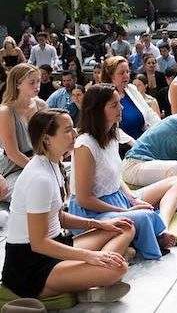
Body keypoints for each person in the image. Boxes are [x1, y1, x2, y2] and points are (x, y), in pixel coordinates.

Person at [1, 108, 133, 304]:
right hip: (32, 266)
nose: (75, 134)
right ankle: (86, 282)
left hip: (57, 245)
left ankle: (88, 276)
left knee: (123, 227)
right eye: (68, 130)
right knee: (117, 268)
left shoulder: (53, 163)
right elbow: (39, 243)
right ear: (47, 139)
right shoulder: (39, 178)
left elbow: (59, 216)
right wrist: (90, 256)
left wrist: (97, 224)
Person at [68, 85, 177, 260]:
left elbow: (116, 179)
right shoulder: (85, 145)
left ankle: (159, 228)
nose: (121, 108)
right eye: (114, 105)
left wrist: (133, 199)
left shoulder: (112, 134)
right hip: (92, 211)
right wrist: (121, 210)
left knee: (175, 182)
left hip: (118, 198)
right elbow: (84, 199)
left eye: (119, 103)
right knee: (144, 216)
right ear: (97, 111)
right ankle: (152, 235)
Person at [0, 64, 48, 202]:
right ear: (17, 84)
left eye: (38, 81)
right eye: (32, 82)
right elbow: (12, 153)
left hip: (41, 160)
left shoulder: (41, 105)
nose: (37, 86)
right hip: (14, 166)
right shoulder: (6, 111)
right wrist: (40, 170)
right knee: (35, 191)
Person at [100, 57, 160, 154]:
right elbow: (112, 128)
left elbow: (148, 113)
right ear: (111, 75)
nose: (126, 76)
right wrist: (134, 144)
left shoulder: (132, 89)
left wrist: (162, 128)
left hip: (144, 144)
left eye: (127, 72)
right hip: (122, 149)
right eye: (121, 73)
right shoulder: (104, 96)